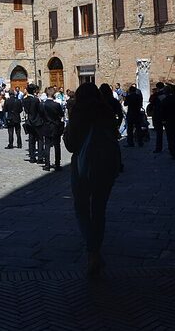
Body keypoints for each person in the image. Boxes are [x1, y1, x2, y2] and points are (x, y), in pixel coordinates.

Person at [63, 83, 121, 277]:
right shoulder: (106, 113)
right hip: (106, 167)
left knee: (81, 209)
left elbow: (71, 145)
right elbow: (115, 136)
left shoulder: (77, 114)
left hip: (82, 167)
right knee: (99, 210)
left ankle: (92, 252)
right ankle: (95, 251)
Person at [40, 87, 65, 171]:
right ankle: (57, 164)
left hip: (46, 126)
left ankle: (47, 164)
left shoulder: (43, 104)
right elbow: (61, 114)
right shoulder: (56, 105)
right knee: (57, 146)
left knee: (47, 146)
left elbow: (41, 115)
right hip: (55, 127)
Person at [22, 83, 44, 163]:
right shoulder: (35, 100)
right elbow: (40, 110)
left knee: (31, 140)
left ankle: (32, 157)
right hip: (37, 121)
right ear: (34, 91)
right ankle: (40, 157)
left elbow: (26, 111)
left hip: (29, 121)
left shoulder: (24, 100)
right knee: (40, 139)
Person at [150, 82, 167, 153]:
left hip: (158, 116)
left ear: (157, 87)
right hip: (167, 115)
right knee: (170, 133)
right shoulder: (167, 94)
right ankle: (171, 147)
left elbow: (151, 102)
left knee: (159, 133)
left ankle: (158, 148)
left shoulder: (156, 95)